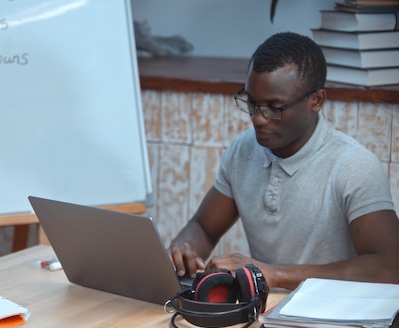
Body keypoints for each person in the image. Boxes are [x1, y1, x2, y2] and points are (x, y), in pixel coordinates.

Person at [167, 32, 399, 291]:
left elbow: (388, 268)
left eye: (274, 108)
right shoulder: (243, 150)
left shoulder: (354, 166)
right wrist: (184, 249)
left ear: (316, 101)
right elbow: (204, 227)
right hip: (261, 317)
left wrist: (274, 274)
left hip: (330, 320)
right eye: (251, 103)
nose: (257, 119)